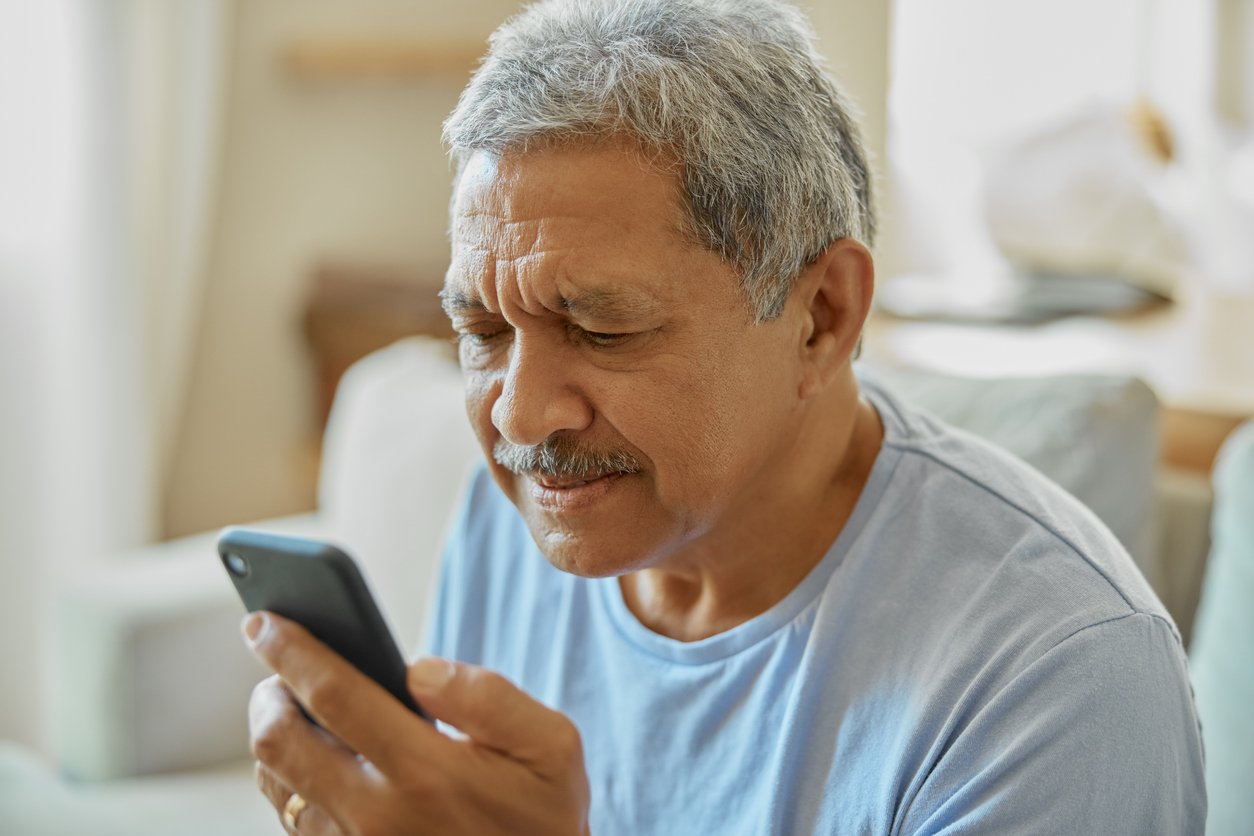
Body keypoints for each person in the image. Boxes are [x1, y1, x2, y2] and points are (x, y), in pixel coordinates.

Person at [242, 1, 1207, 833]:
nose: (522, 413)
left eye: (601, 326)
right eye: (483, 329)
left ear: (821, 316)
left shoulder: (1055, 678)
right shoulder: (519, 515)